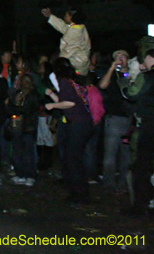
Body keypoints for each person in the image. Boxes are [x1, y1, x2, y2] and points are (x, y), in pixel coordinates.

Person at [43, 57, 95, 205]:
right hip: (82, 123)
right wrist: (51, 95)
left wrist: (52, 106)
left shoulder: (65, 82)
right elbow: (65, 99)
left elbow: (69, 103)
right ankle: (77, 192)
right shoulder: (73, 82)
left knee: (73, 160)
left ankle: (80, 195)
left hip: (79, 124)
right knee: (72, 158)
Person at [119, 47, 154, 215]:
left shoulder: (147, 77)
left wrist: (126, 79)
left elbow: (131, 94)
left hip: (148, 127)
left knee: (142, 167)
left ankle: (141, 207)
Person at [98, 49, 133, 192]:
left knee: (127, 156)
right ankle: (109, 184)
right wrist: (112, 69)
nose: (119, 59)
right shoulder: (111, 74)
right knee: (110, 156)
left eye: (122, 56)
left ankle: (123, 184)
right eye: (116, 57)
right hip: (113, 119)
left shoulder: (134, 72)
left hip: (130, 120)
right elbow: (102, 86)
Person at [8, 73, 41, 186]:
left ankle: (30, 175)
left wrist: (16, 110)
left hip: (27, 126)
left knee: (28, 151)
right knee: (17, 150)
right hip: (16, 125)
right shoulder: (17, 93)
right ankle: (20, 173)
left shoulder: (33, 95)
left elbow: (30, 109)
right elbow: (9, 106)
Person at [41, 7, 91, 76]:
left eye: (66, 16)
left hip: (75, 67)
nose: (64, 17)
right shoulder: (79, 27)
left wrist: (57, 64)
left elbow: (66, 53)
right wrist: (50, 16)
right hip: (80, 64)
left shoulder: (74, 33)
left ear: (71, 18)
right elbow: (63, 27)